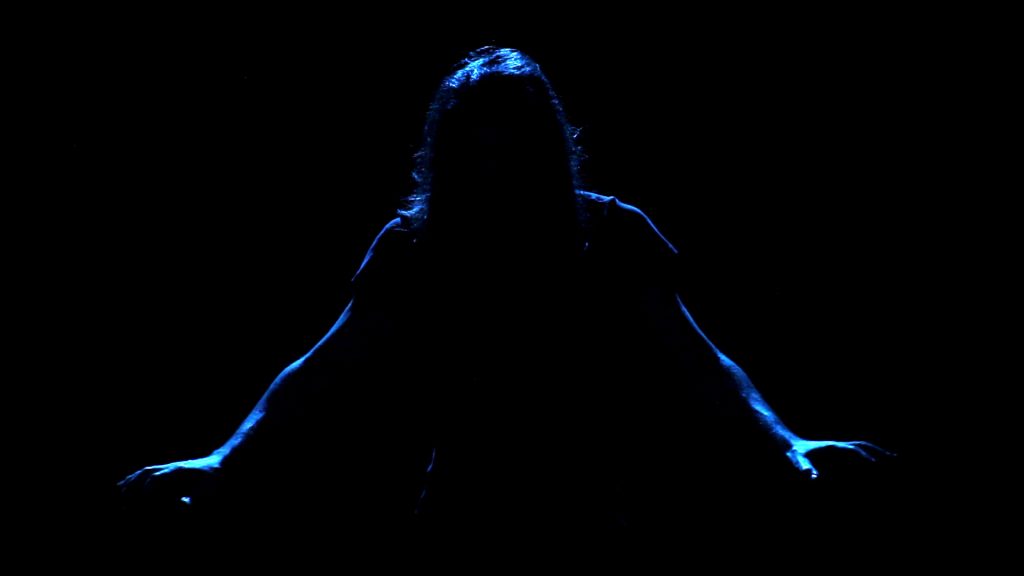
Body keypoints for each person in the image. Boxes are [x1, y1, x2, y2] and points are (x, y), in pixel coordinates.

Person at [118, 46, 889, 531]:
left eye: (511, 154)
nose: (495, 176)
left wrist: (786, 443)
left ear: (543, 150)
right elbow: (323, 367)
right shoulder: (415, 244)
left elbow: (700, 360)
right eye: (478, 155)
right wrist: (224, 459)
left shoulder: (612, 233)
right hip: (460, 515)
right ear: (451, 154)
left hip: (590, 515)